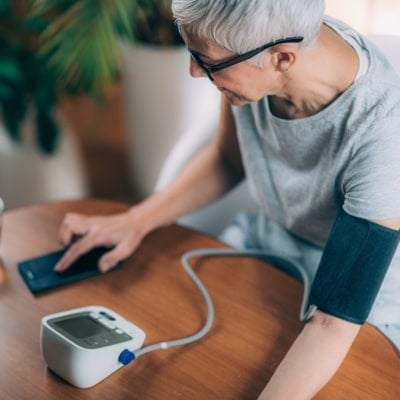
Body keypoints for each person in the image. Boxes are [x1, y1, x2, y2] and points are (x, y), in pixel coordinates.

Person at [54, 1, 400, 398]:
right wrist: (134, 220)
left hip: (357, 308)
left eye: (207, 62)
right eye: (192, 52)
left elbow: (332, 323)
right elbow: (226, 159)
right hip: (265, 249)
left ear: (283, 58)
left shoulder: (384, 138)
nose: (195, 71)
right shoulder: (257, 45)